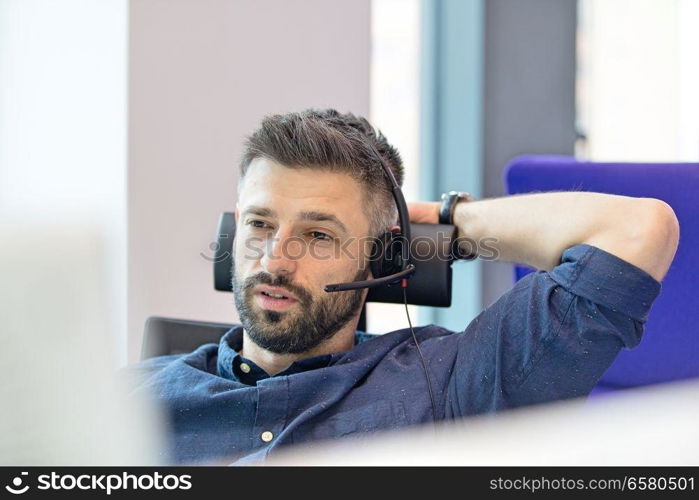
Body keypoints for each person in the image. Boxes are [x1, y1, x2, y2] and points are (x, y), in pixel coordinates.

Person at [125, 109, 679, 465]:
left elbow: (638, 231)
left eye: (318, 234)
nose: (276, 259)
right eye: (259, 224)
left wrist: (441, 226)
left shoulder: (453, 385)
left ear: (382, 253)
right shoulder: (126, 400)